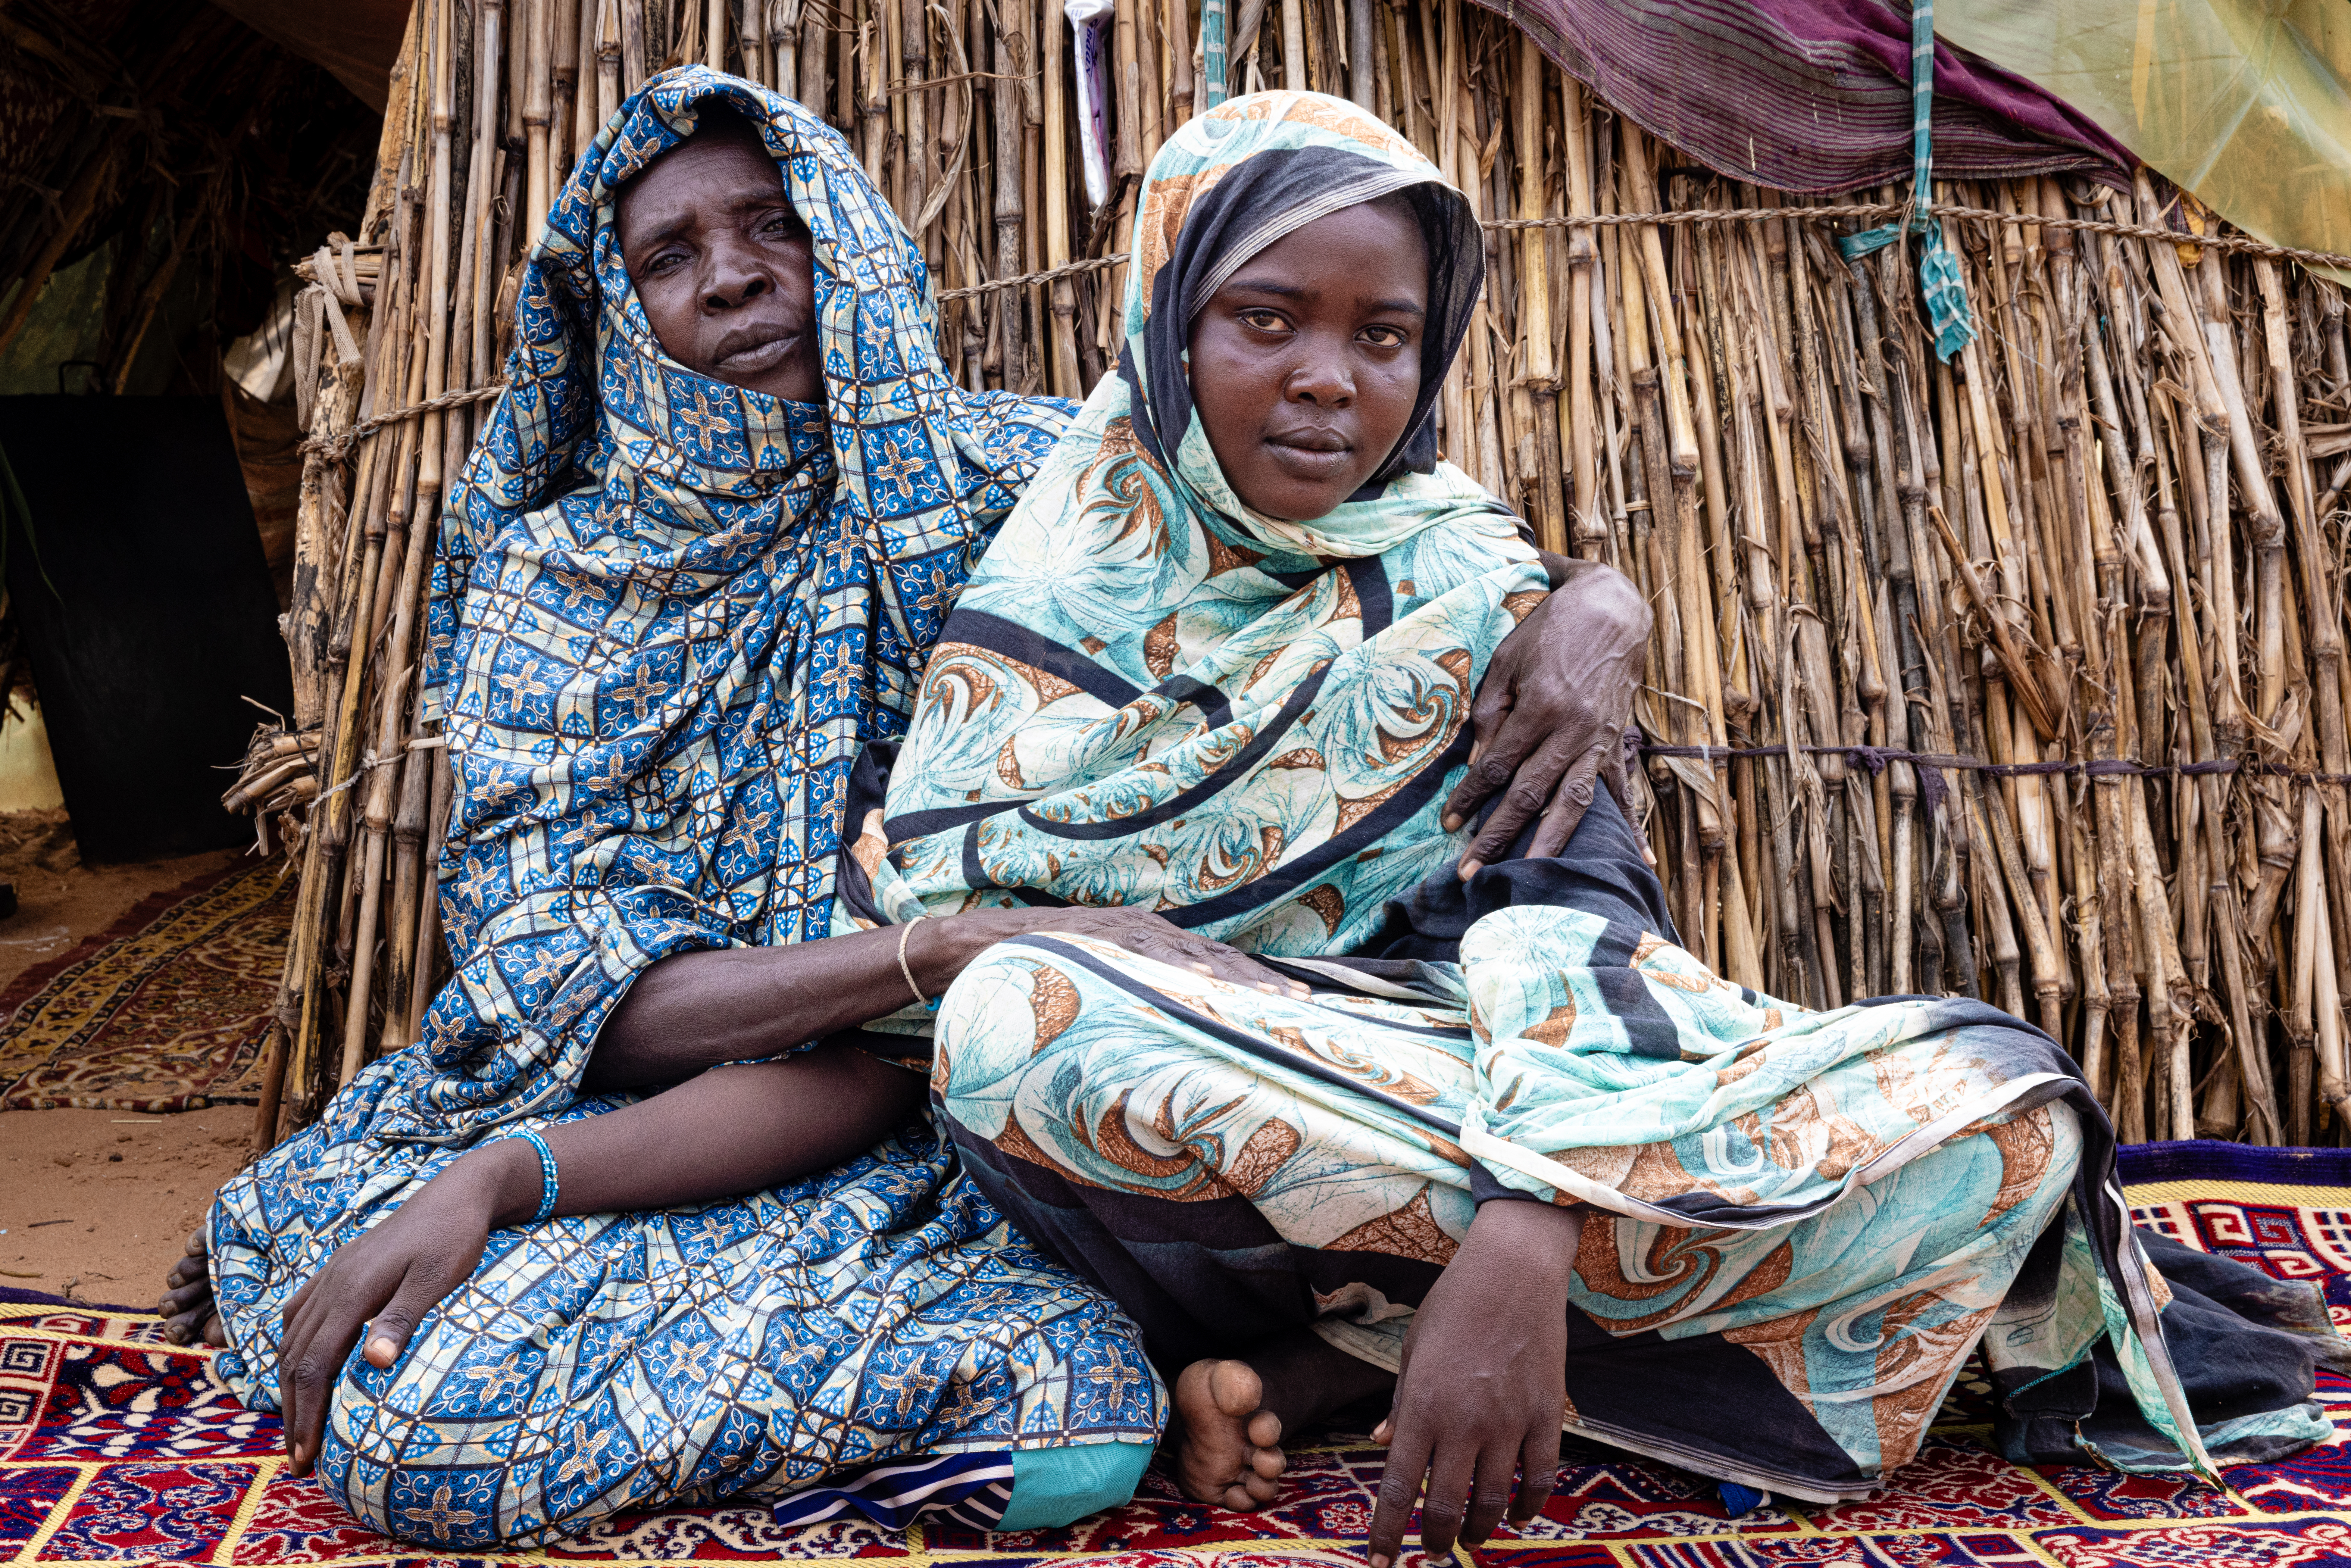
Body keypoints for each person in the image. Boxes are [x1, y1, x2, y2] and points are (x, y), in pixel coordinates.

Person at [842, 89, 2344, 1568]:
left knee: (1999, 1103)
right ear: (1164, 328)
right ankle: (1602, 1337)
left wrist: (1529, 1215)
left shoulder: (1458, 583)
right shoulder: (1047, 575)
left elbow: (1566, 914)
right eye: (1264, 320)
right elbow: (955, 934)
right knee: (1023, 1021)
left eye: (1383, 338)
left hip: (1502, 1083)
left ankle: (1418, 1353)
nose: (1326, 380)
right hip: (1241, 1148)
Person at [154, 69, 1652, 1547]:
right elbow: (581, 1000)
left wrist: (1601, 605)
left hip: (1008, 1116)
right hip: (665, 1113)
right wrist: (928, 957)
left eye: (770, 226)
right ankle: (1218, 1389)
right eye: (668, 258)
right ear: (611, 313)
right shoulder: (558, 592)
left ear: (849, 241)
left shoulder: (1039, 487)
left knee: (1126, 1329)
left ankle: (1181, 1387)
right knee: (423, 1394)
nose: (733, 281)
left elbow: (1367, 545)